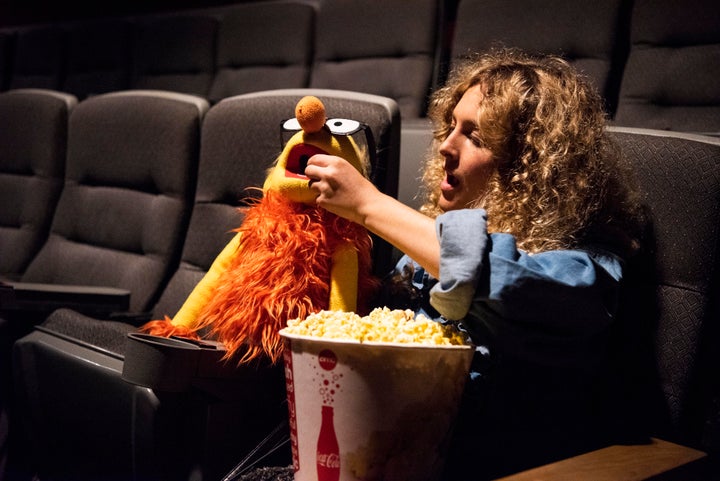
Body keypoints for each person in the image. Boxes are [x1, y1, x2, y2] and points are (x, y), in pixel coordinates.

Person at [305, 48, 646, 480]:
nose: (446, 146)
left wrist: (369, 205)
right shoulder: (425, 245)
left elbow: (492, 276)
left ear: (531, 164)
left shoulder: (585, 270)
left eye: (477, 137)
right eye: (451, 128)